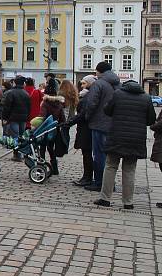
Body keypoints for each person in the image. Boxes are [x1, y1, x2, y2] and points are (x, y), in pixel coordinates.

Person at [94, 80, 155, 209]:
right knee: (129, 169)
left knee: (110, 166)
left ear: (125, 86)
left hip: (117, 136)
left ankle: (105, 199)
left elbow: (107, 111)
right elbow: (151, 120)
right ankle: (128, 202)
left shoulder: (117, 94)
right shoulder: (146, 97)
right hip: (136, 139)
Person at [84, 62, 120, 192]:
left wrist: (88, 116)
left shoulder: (99, 83)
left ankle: (99, 183)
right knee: (109, 156)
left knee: (99, 155)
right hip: (113, 124)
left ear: (99, 71)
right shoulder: (117, 83)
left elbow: (92, 103)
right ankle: (110, 183)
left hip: (99, 123)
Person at [66, 75, 96, 187]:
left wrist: (70, 122)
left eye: (84, 83)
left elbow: (82, 115)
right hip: (86, 128)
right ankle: (86, 176)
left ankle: (87, 178)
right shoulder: (86, 96)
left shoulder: (88, 97)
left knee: (87, 154)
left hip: (86, 129)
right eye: (81, 83)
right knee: (87, 154)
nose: (82, 85)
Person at [0, 76, 31, 161]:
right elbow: (29, 107)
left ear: (15, 83)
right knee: (21, 136)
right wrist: (27, 117)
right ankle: (20, 153)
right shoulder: (26, 93)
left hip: (13, 118)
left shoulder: (11, 93)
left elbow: (7, 107)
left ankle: (17, 154)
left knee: (15, 136)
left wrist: (5, 118)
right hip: (23, 119)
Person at [39, 82, 66, 177]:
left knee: (42, 148)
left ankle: (41, 167)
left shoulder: (45, 103)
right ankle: (55, 169)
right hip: (54, 129)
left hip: (45, 129)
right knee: (51, 149)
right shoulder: (59, 104)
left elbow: (42, 117)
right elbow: (63, 119)